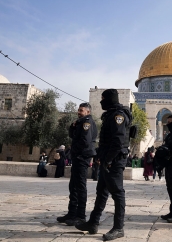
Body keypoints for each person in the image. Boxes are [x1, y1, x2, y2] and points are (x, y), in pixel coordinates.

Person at [76, 89, 132, 241]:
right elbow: (107, 141)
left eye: (102, 99)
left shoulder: (118, 115)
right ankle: (93, 223)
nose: (101, 102)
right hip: (108, 159)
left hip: (115, 159)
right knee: (101, 191)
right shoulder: (111, 114)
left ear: (109, 99)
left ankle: (119, 228)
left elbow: (118, 141)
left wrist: (108, 159)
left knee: (117, 192)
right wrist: (101, 157)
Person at [56, 103, 97, 226]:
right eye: (78, 110)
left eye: (81, 110)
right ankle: (72, 213)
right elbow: (73, 136)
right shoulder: (80, 122)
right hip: (78, 157)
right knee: (73, 186)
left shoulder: (87, 123)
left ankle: (80, 216)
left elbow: (85, 141)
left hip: (82, 157)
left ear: (88, 112)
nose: (79, 112)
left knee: (80, 187)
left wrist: (75, 152)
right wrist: (72, 126)